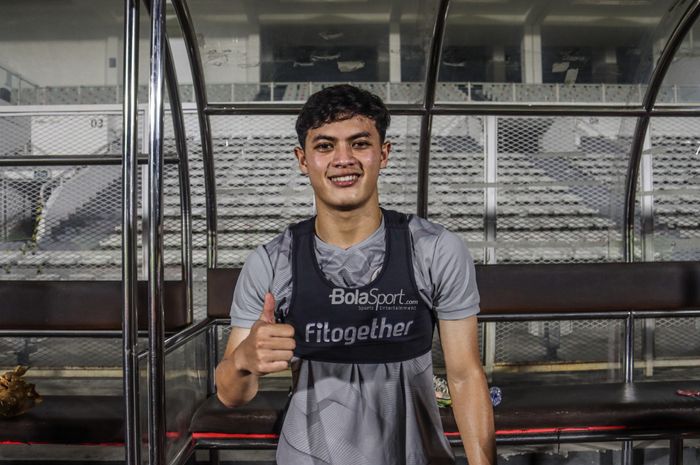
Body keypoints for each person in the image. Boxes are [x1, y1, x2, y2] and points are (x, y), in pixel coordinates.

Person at [215, 84, 495, 465]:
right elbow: (231, 394)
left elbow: (464, 377)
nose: (343, 159)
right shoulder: (270, 262)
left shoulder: (435, 249)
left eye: (359, 144)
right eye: (325, 145)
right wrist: (245, 359)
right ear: (302, 159)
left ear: (384, 154)